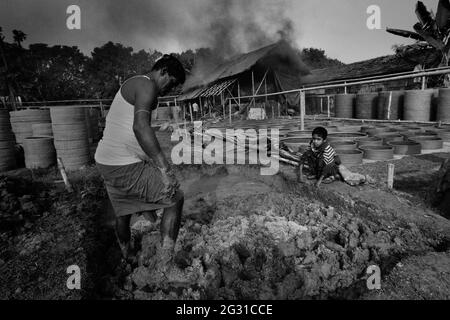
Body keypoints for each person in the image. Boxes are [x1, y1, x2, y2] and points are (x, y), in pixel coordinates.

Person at [95, 54, 186, 266]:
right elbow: (140, 127)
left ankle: (127, 254)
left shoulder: (135, 84)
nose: (169, 90)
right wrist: (164, 169)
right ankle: (166, 265)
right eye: (170, 83)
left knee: (124, 211)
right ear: (162, 70)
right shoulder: (147, 84)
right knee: (175, 199)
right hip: (124, 163)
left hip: (106, 161)